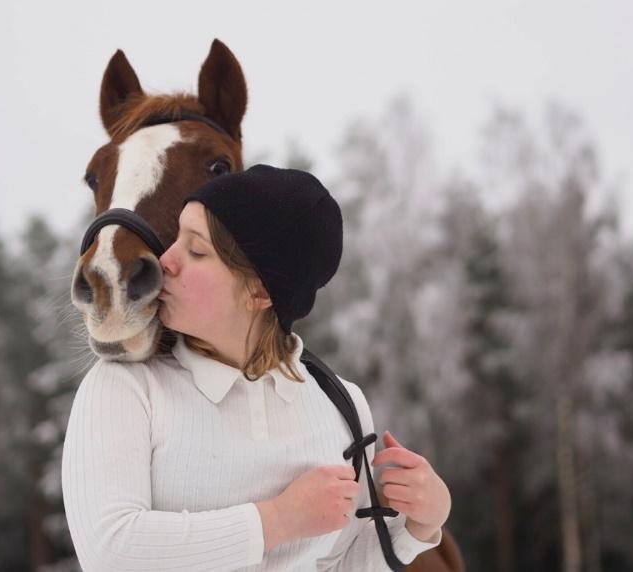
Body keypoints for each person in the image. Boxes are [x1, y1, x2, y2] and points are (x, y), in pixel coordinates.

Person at [61, 164, 452, 571]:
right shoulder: (125, 388)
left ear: (260, 291)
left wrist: (421, 526)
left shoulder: (341, 404)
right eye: (176, 237)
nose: (166, 260)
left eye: (196, 251)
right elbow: (109, 551)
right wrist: (278, 520)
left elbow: (337, 565)